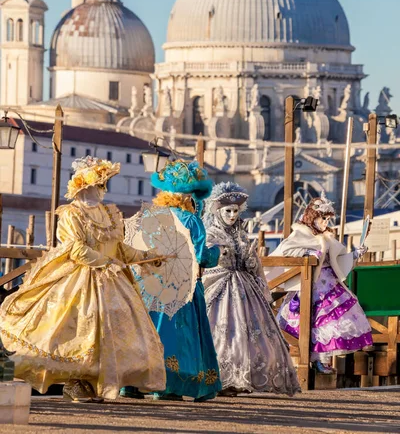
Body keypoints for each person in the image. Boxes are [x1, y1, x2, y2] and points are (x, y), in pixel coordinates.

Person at [0, 156, 166, 401]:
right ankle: (73, 381)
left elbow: (119, 248)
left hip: (112, 281)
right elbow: (75, 250)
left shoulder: (108, 213)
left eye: (104, 185)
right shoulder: (71, 215)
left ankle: (91, 382)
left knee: (111, 333)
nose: (103, 190)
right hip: (80, 279)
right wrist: (107, 262)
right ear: (86, 186)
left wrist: (148, 256)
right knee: (74, 331)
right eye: (100, 184)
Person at [203, 182, 300, 396]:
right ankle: (220, 380)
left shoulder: (241, 235)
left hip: (245, 290)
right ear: (217, 211)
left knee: (249, 338)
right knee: (223, 336)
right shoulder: (210, 234)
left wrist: (250, 259)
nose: (231, 215)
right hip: (220, 290)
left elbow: (252, 264)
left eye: (235, 211)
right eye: (227, 211)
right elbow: (205, 261)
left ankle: (240, 380)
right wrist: (220, 256)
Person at [267, 194, 373, 374]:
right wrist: (309, 253)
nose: (325, 222)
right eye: (322, 218)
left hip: (329, 286)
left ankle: (320, 361)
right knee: (307, 323)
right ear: (313, 217)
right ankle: (301, 361)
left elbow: (338, 260)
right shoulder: (300, 233)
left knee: (328, 323)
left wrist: (355, 255)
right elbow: (287, 251)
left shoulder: (327, 237)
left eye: (328, 219)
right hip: (308, 285)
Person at [149, 159, 222, 401]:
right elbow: (202, 256)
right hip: (184, 286)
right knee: (181, 334)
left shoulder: (153, 216)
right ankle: (175, 385)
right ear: (186, 197)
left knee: (153, 330)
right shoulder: (191, 220)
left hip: (153, 285)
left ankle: (140, 383)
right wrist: (217, 252)